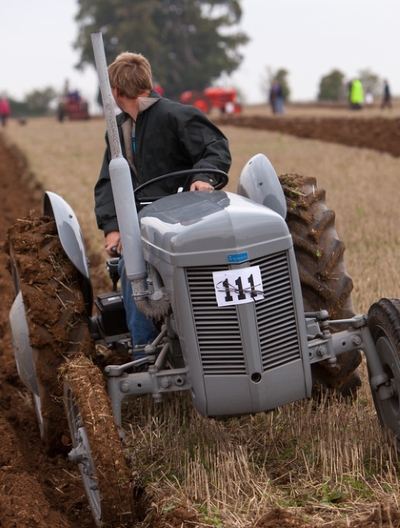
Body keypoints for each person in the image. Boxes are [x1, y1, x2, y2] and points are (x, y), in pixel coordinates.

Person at [94, 52, 231, 359]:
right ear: (147, 81)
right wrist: (113, 227)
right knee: (133, 266)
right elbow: (108, 182)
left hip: (188, 216)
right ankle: (145, 352)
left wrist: (204, 177)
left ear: (115, 92)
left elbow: (215, 149)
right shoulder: (117, 131)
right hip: (143, 223)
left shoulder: (176, 115)